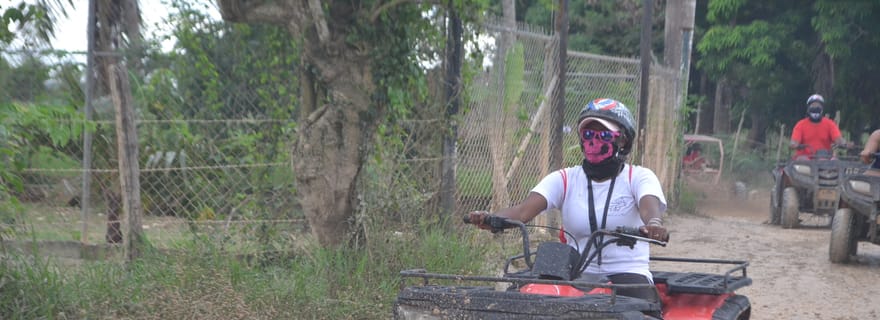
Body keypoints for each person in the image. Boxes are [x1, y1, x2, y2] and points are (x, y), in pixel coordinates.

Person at [467, 98, 668, 301]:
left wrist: (654, 224)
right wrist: (490, 218)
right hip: (575, 270)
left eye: (604, 135)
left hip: (627, 272)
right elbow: (522, 212)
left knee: (639, 309)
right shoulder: (565, 179)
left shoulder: (638, 177)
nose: (594, 140)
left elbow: (648, 207)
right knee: (529, 299)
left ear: (622, 140)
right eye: (588, 134)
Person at [789, 94, 848, 160]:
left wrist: (843, 143)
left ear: (822, 108)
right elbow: (794, 141)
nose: (815, 108)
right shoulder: (800, 125)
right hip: (805, 161)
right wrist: (795, 144)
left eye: (818, 106)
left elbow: (838, 139)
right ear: (808, 108)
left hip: (824, 158)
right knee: (802, 159)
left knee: (834, 161)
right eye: (813, 105)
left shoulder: (830, 124)